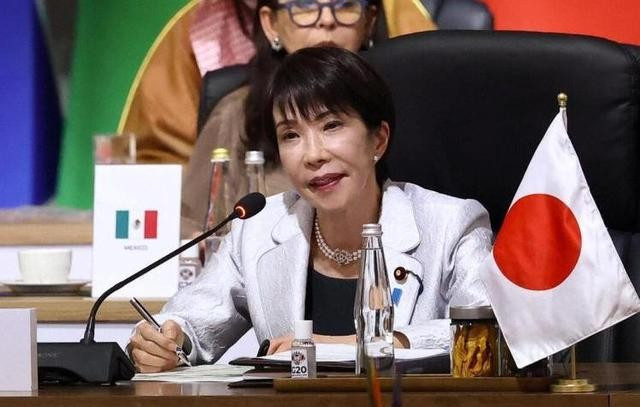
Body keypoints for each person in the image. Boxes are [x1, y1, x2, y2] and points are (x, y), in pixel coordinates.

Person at [128, 46, 491, 373]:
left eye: (331, 126)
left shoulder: (451, 224)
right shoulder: (257, 230)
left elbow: (488, 331)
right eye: (291, 135)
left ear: (378, 140)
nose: (313, 154)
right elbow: (191, 321)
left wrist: (356, 345)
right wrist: (166, 341)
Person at [181, 0, 431, 236]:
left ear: (370, 20)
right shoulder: (234, 114)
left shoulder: (414, 106)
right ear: (271, 23)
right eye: (305, 4)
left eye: (345, 4)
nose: (326, 19)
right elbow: (189, 227)